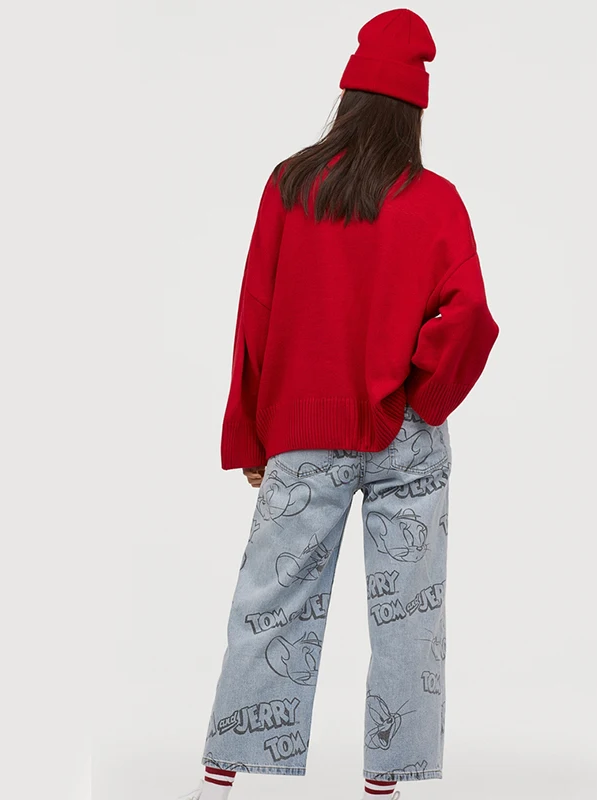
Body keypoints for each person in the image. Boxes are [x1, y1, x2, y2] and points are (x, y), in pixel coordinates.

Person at [178, 9, 499, 800]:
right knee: (410, 615)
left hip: (304, 431)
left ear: (350, 96)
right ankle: (387, 787)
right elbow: (470, 316)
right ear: (414, 109)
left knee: (270, 603)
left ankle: (222, 778)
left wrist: (252, 436)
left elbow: (255, 316)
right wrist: (422, 393)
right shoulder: (436, 202)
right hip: (408, 437)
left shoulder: (291, 185)